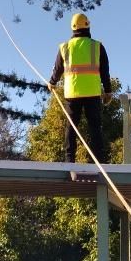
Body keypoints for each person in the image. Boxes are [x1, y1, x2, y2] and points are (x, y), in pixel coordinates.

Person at [49, 12, 112, 163]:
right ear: (88, 26)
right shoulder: (97, 47)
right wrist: (108, 91)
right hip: (92, 93)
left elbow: (58, 69)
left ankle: (69, 160)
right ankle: (98, 160)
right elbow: (105, 71)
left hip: (72, 94)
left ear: (72, 28)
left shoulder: (65, 47)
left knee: (71, 128)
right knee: (95, 127)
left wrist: (52, 82)